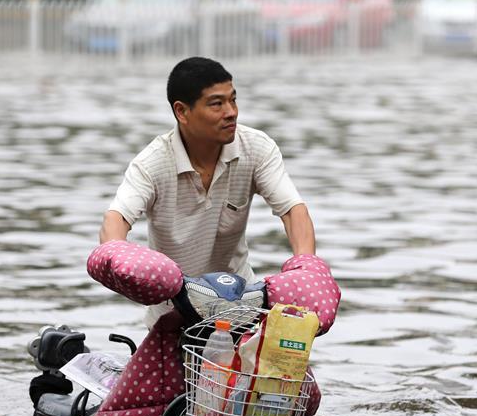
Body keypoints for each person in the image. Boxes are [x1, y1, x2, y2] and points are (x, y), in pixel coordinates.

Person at [99, 56, 316, 327]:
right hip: (173, 313)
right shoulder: (151, 164)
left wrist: (305, 268)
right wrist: (118, 257)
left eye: (233, 100)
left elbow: (293, 210)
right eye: (217, 104)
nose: (231, 112)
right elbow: (116, 218)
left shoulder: (256, 148)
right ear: (182, 112)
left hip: (242, 306)